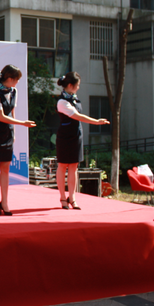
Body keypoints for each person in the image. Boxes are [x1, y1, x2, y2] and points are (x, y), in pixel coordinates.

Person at [0, 65, 36, 216]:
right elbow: (1, 117)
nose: (17, 82)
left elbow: (12, 111)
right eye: (16, 79)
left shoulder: (14, 91)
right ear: (8, 78)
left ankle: (5, 201)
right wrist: (22, 123)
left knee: (6, 168)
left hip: (8, 131)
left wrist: (13, 131)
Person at [55, 72, 109, 210]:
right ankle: (62, 197)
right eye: (77, 85)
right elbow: (78, 116)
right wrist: (96, 122)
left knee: (74, 166)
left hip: (76, 136)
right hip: (65, 137)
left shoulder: (75, 98)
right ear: (70, 85)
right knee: (63, 166)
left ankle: (72, 197)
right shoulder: (62, 102)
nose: (78, 88)